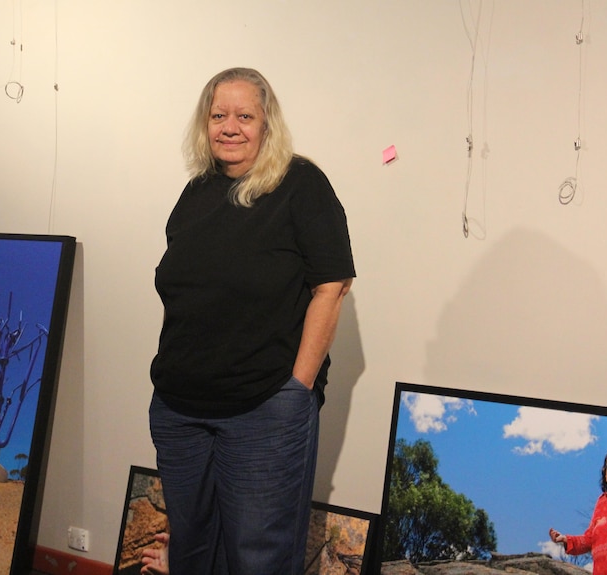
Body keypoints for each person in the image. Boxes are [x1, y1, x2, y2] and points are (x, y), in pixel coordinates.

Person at [148, 67, 355, 575]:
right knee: (192, 553)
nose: (230, 126)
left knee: (257, 559)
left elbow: (332, 285)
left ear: (267, 123)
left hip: (262, 409)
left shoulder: (300, 183)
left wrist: (295, 391)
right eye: (219, 115)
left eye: (245, 115)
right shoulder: (197, 191)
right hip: (179, 410)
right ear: (205, 122)